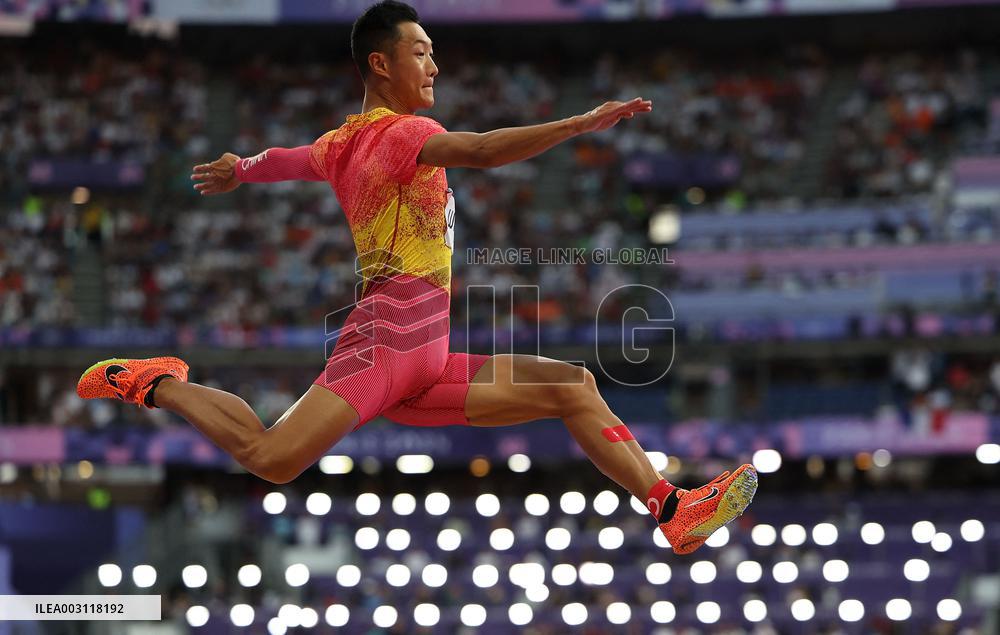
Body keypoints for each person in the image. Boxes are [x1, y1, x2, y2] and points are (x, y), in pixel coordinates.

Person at [77, 0, 756, 555]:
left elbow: (287, 158)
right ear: (381, 62)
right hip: (389, 337)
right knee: (271, 455)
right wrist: (581, 122)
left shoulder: (338, 144)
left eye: (433, 50)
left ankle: (669, 505)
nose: (434, 63)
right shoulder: (400, 133)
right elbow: (484, 151)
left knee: (572, 385)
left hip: (424, 356)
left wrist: (242, 167)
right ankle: (157, 381)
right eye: (421, 50)